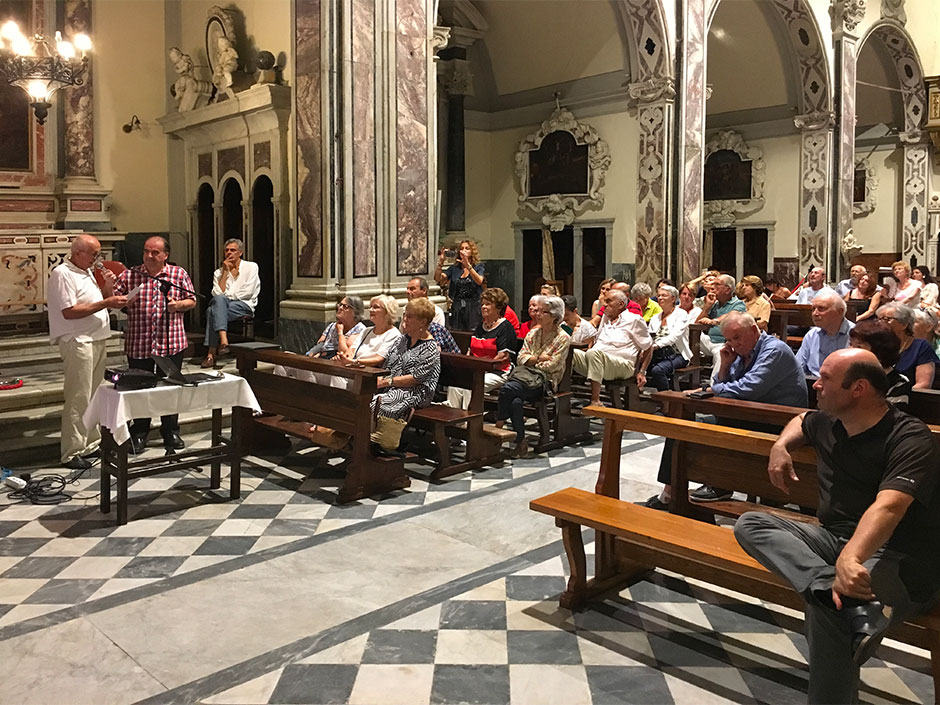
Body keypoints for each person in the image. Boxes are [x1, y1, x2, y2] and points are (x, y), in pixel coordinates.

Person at [733, 348, 940, 705]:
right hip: (833, 539)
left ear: (858, 388)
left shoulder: (909, 437)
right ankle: (825, 582)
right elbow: (802, 420)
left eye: (826, 378)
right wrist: (781, 444)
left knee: (831, 605)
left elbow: (889, 506)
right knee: (752, 524)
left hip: (901, 555)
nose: (815, 384)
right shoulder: (830, 421)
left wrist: (850, 559)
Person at [641, 311, 807, 509]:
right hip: (749, 415)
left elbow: (748, 388)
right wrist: (725, 367)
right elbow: (727, 388)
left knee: (713, 427)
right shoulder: (741, 352)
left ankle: (720, 483)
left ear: (754, 330)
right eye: (729, 339)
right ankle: (671, 492)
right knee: (682, 427)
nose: (733, 344)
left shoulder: (774, 350)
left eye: (737, 338)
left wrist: (710, 389)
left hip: (780, 423)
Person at [47, 235, 127, 470]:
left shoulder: (86, 271)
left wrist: (108, 289)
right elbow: (69, 311)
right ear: (78, 252)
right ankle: (71, 452)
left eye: (98, 254)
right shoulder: (63, 273)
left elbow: (97, 300)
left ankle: (90, 444)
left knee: (94, 395)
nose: (97, 259)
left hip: (96, 338)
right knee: (78, 396)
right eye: (94, 254)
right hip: (77, 340)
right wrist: (107, 303)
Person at [113, 236, 196, 453]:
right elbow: (112, 298)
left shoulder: (178, 274)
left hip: (172, 342)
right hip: (139, 342)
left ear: (165, 255)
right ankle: (139, 432)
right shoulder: (131, 274)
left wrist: (178, 305)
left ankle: (171, 431)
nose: (149, 256)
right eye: (146, 251)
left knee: (170, 388)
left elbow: (192, 301)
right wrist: (120, 300)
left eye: (155, 252)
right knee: (140, 390)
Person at [495, 296, 570, 458]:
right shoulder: (533, 333)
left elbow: (551, 366)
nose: (538, 315)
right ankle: (521, 442)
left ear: (555, 316)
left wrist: (531, 361)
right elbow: (520, 357)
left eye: (544, 312)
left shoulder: (563, 338)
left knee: (507, 389)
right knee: (515, 401)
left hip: (545, 383)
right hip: (525, 379)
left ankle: (498, 427)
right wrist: (537, 359)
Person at [371, 298, 442, 451]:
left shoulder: (431, 349)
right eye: (405, 315)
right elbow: (388, 363)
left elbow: (415, 379)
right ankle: (358, 442)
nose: (405, 319)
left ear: (422, 322)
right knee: (362, 396)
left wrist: (386, 382)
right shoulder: (402, 340)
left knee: (382, 402)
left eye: (410, 316)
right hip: (392, 385)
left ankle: (379, 445)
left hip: (417, 392)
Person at [573, 289, 652, 406]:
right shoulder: (606, 318)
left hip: (623, 366)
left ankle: (596, 401)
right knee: (570, 352)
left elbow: (648, 347)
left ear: (621, 304)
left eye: (609, 301)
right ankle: (556, 393)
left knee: (593, 353)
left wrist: (641, 372)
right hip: (599, 362)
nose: (604, 305)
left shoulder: (634, 320)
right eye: (604, 301)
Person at [446, 288, 516, 409]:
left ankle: (469, 422)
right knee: (455, 385)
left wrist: (483, 368)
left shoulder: (505, 328)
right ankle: (452, 419)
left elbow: (504, 356)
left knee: (472, 385)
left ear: (498, 307)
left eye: (488, 304)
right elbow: (470, 351)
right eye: (482, 304)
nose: (483, 307)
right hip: (477, 370)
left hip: (497, 372)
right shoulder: (480, 326)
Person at [273, 296, 367, 384]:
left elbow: (344, 354)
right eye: (340, 304)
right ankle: (278, 393)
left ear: (355, 311)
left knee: (305, 368)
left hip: (335, 368)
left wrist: (340, 332)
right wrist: (309, 355)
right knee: (283, 361)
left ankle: (309, 398)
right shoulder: (332, 325)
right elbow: (320, 344)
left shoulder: (359, 329)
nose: (340, 307)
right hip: (320, 360)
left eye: (345, 306)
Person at [201, 238, 261, 368]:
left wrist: (225, 298)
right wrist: (225, 272)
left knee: (212, 310)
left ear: (240, 252)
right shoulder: (218, 272)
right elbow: (216, 293)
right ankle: (223, 342)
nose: (229, 253)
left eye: (233, 250)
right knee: (216, 305)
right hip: (225, 306)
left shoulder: (251, 267)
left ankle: (211, 353)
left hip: (244, 305)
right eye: (227, 250)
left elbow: (248, 292)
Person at [849, 319, 913, 410]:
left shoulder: (898, 382)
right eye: (850, 344)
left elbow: (889, 417)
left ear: (879, 352)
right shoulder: (846, 375)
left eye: (859, 347)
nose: (850, 350)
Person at [639, 284, 691, 392]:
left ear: (673, 298)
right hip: (656, 353)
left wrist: (656, 345)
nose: (660, 298)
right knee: (634, 363)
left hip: (677, 354)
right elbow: (649, 335)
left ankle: (666, 401)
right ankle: (635, 396)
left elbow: (674, 336)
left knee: (658, 370)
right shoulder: (655, 317)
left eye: (664, 295)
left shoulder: (681, 314)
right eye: (658, 296)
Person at [876, 303, 938, 389]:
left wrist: (899, 395)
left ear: (904, 324)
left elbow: (923, 384)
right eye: (879, 319)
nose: (880, 323)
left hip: (908, 398)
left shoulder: (920, 347)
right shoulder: (876, 345)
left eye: (887, 319)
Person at [796, 291, 854, 376]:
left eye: (821, 308)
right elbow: (798, 367)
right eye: (813, 309)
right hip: (812, 383)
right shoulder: (811, 335)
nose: (815, 313)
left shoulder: (855, 335)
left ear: (840, 312)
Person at [435, 240, 485, 330]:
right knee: (457, 332)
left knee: (472, 332)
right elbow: (438, 279)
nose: (464, 251)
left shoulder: (478, 266)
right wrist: (440, 263)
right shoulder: (455, 268)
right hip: (457, 307)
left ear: (472, 251)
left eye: (467, 248)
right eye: (461, 248)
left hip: (473, 306)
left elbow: (479, 281)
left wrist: (468, 266)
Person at [698, 274, 747, 359]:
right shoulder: (714, 304)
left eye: (717, 284)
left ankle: (719, 373)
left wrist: (714, 321)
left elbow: (731, 315)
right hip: (708, 340)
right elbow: (697, 323)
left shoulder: (738, 304)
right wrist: (707, 306)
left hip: (724, 342)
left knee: (721, 353)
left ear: (727, 289)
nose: (712, 287)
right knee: (687, 334)